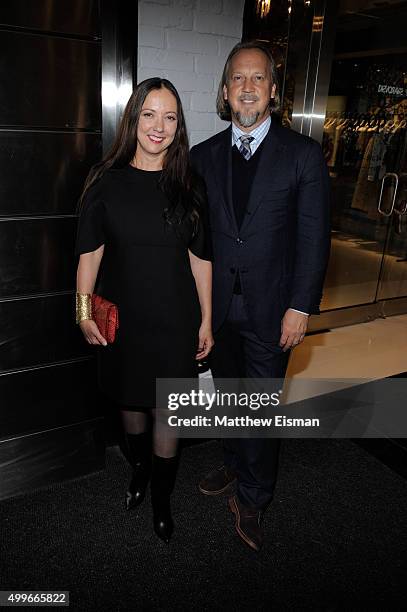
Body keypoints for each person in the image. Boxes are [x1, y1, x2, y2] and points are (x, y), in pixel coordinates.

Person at [190, 41, 330, 552]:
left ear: (273, 90)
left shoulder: (304, 155)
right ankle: (233, 462)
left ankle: (254, 496)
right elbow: (196, 238)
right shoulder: (202, 157)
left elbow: (315, 239)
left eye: (257, 79)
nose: (247, 88)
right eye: (237, 80)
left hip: (274, 311)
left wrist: (300, 307)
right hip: (219, 308)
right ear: (225, 92)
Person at [75, 78, 213, 543]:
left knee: (167, 413)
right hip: (125, 323)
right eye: (150, 114)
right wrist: (81, 311)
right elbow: (88, 255)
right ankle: (138, 470)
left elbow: (201, 259)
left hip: (175, 322)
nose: (159, 126)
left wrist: (207, 319)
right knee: (131, 406)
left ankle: (161, 500)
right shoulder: (105, 183)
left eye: (170, 116)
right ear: (134, 119)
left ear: (179, 127)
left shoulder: (190, 187)